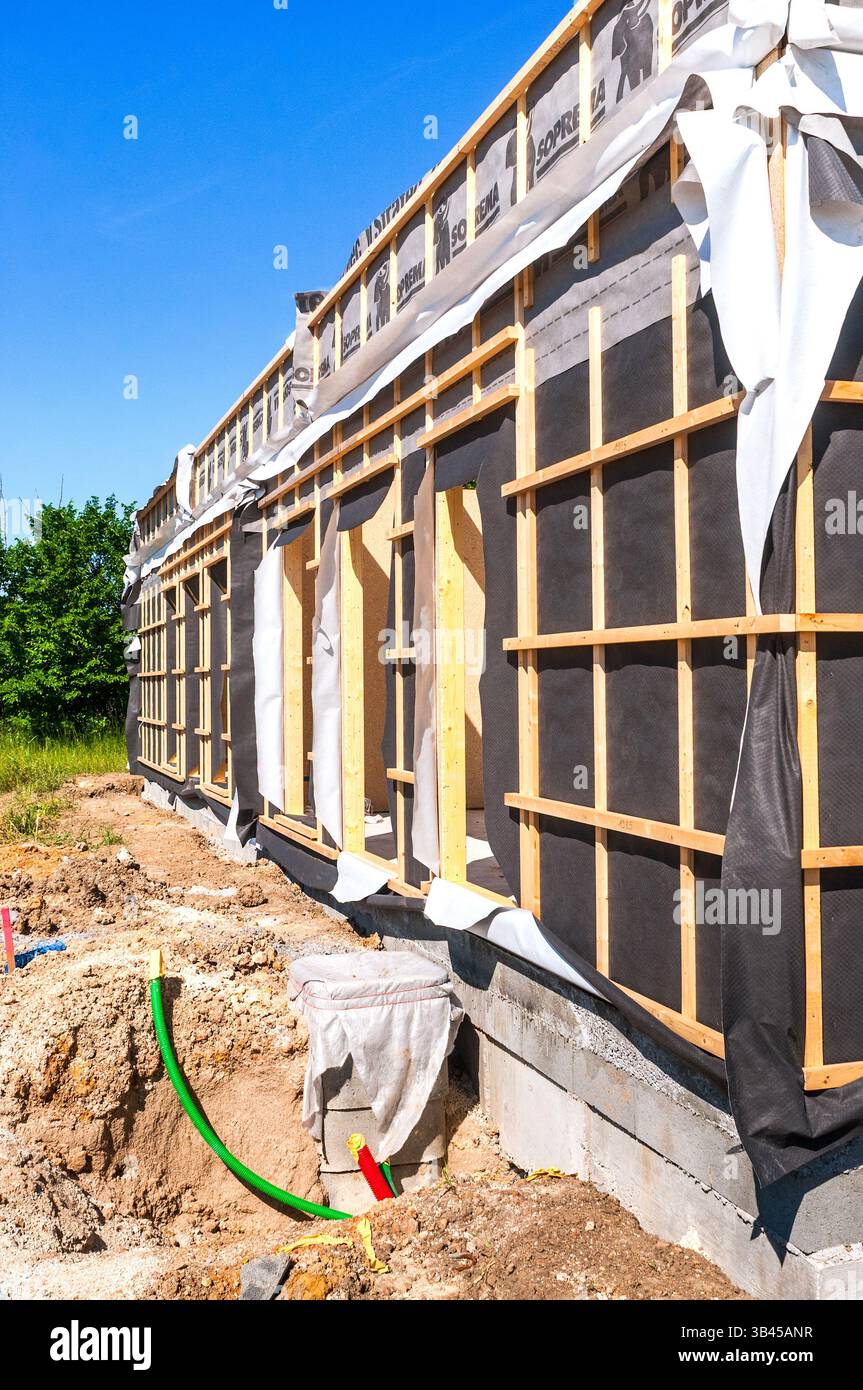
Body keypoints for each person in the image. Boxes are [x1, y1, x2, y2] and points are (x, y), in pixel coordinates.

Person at [612, 0, 654, 103]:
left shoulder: (646, 20)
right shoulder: (622, 31)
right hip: (630, 59)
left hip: (643, 51)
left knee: (648, 78)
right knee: (635, 90)